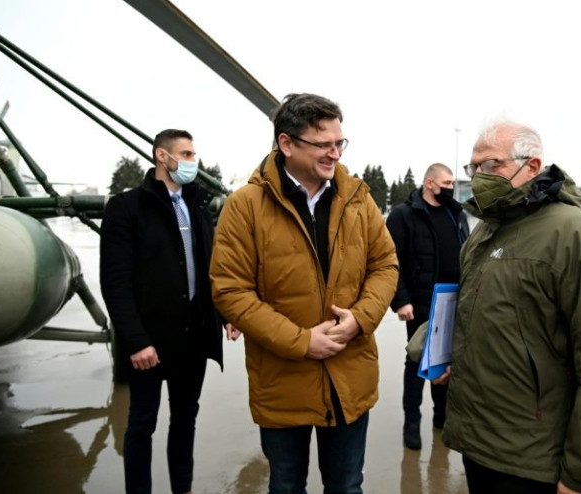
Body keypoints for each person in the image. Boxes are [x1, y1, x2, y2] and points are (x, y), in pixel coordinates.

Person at [438, 120, 581, 494]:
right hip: (479, 442)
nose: (479, 176)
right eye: (473, 168)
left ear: (531, 166)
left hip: (535, 459)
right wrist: (435, 349)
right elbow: (474, 309)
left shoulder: (574, 234)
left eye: (491, 165)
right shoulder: (485, 231)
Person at [209, 93, 398, 493]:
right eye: (323, 144)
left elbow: (385, 266)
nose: (334, 153)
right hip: (282, 378)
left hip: (349, 376)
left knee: (347, 486)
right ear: (287, 144)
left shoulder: (358, 200)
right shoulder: (245, 206)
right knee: (287, 485)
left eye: (339, 143)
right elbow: (230, 289)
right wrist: (300, 341)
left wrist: (359, 320)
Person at [100, 129, 223, 494]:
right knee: (141, 423)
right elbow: (115, 282)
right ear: (161, 156)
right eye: (185, 154)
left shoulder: (197, 205)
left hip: (193, 338)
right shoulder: (127, 208)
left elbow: (210, 269)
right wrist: (136, 341)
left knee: (186, 419)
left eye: (193, 154)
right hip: (149, 344)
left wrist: (224, 316)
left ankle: (181, 487)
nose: (192, 162)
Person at [386, 163, 469, 450]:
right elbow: (390, 261)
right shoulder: (403, 215)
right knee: (417, 359)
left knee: (446, 359)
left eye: (452, 183)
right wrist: (400, 300)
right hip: (420, 302)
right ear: (430, 183)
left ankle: (441, 417)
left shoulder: (456, 213)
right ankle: (412, 420)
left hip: (453, 299)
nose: (450, 188)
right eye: (446, 183)